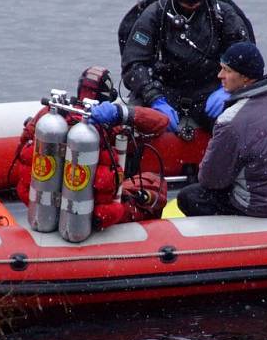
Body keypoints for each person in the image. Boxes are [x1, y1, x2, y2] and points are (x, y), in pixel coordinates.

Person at [177, 42, 267, 217]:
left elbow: (212, 180)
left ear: (245, 77)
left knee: (189, 196)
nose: (220, 75)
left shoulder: (231, 120)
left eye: (227, 70)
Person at [14, 66, 169, 227]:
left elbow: (22, 149)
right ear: (108, 96)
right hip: (97, 213)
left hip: (43, 203)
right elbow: (161, 122)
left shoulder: (47, 116)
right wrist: (121, 113)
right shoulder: (108, 126)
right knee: (156, 185)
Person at [120, 0, 253, 134]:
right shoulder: (154, 16)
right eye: (185, 0)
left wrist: (227, 89)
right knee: (133, 128)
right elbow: (133, 64)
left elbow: (244, 56)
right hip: (164, 88)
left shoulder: (221, 13)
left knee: (240, 124)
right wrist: (154, 98)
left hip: (210, 87)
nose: (192, 4)